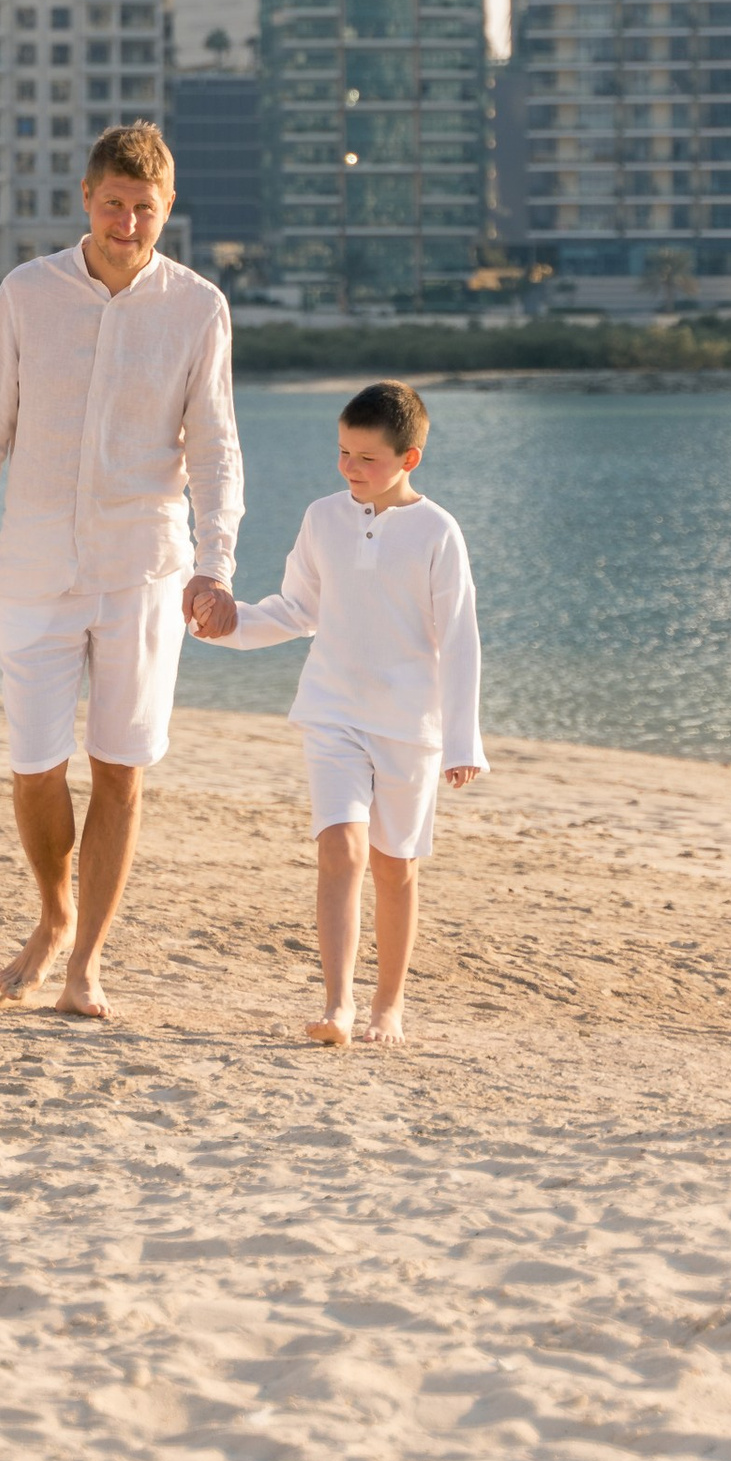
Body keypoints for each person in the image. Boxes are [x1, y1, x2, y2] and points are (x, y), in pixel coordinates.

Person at [0, 119, 242, 1022]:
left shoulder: (198, 306)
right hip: (35, 566)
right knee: (34, 764)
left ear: (169, 210)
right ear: (86, 199)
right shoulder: (27, 293)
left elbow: (215, 448)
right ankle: (53, 915)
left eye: (146, 210)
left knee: (120, 768)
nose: (128, 224)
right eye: (114, 205)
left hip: (144, 569)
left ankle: (85, 960)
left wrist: (216, 564)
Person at [225, 378, 485, 1049]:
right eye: (343, 451)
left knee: (395, 867)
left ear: (408, 458)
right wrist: (228, 625)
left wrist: (463, 741)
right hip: (332, 710)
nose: (349, 467)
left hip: (410, 725)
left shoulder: (437, 531)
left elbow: (459, 638)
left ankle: (387, 1006)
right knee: (340, 850)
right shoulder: (322, 518)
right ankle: (338, 1005)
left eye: (367, 458)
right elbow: (297, 609)